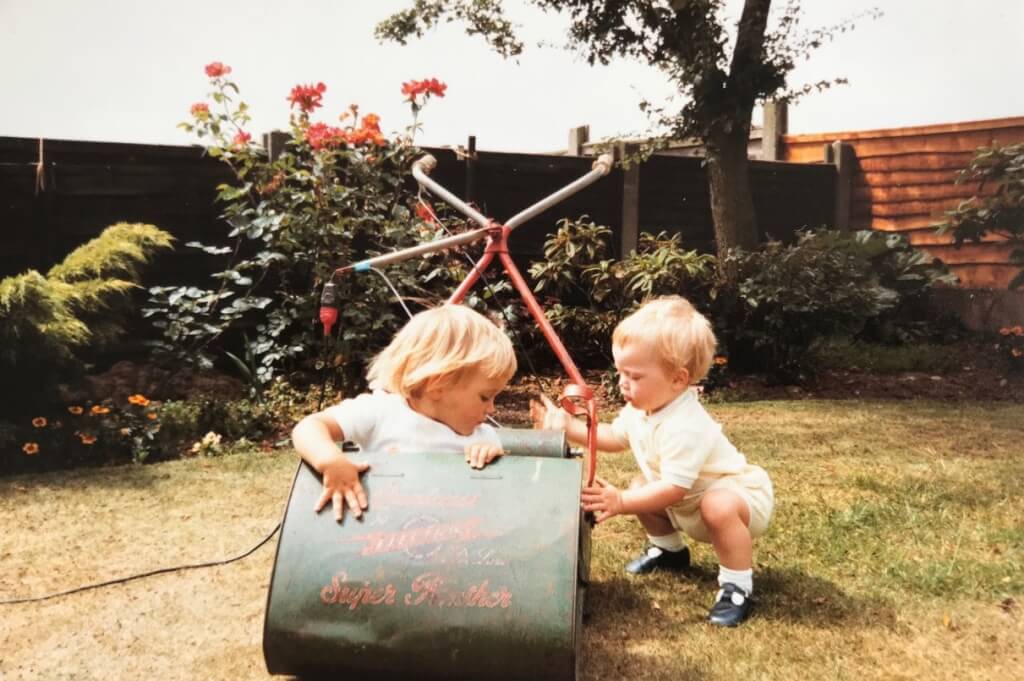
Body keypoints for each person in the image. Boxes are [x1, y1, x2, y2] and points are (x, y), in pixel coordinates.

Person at [536, 296, 773, 627]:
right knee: (640, 486)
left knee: (712, 505)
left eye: (633, 375)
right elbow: (616, 439)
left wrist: (621, 502)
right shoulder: (639, 410)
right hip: (689, 504)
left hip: (739, 499)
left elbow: (674, 489)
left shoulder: (686, 424)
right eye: (620, 372)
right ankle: (669, 551)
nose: (622, 382)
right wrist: (570, 427)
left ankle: (737, 586)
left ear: (678, 379)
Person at [293, 304, 516, 523]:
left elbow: (498, 505)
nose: (492, 409)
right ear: (438, 385)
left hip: (453, 541)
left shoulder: (481, 438)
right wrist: (330, 461)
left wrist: (491, 459)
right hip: (383, 535)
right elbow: (309, 427)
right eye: (485, 397)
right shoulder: (381, 412)